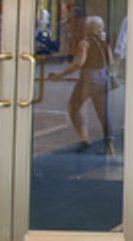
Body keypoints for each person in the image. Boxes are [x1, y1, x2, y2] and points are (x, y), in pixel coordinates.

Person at [49, 15, 115, 155]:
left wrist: (60, 75)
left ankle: (83, 139)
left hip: (88, 80)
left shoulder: (84, 43)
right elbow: (112, 62)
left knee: (74, 107)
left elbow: (78, 63)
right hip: (103, 79)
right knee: (103, 114)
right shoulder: (104, 43)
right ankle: (110, 146)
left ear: (88, 27)